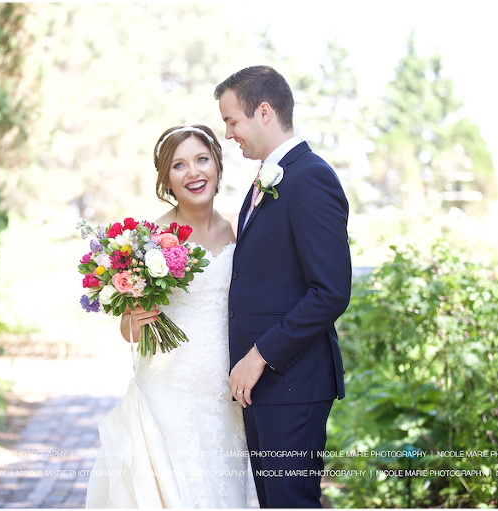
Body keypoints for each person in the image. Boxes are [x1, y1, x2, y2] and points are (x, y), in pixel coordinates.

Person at [85, 125, 249, 508]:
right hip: (167, 390)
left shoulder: (240, 228)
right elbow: (127, 328)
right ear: (166, 179)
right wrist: (134, 320)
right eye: (179, 165)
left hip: (225, 389)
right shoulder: (149, 238)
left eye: (201, 159)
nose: (193, 172)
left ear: (217, 166)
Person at [215, 65, 352, 508]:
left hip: (292, 383)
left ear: (265, 111)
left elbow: (330, 291)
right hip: (268, 388)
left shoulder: (309, 176)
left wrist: (258, 356)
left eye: (233, 120)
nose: (229, 133)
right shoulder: (267, 178)